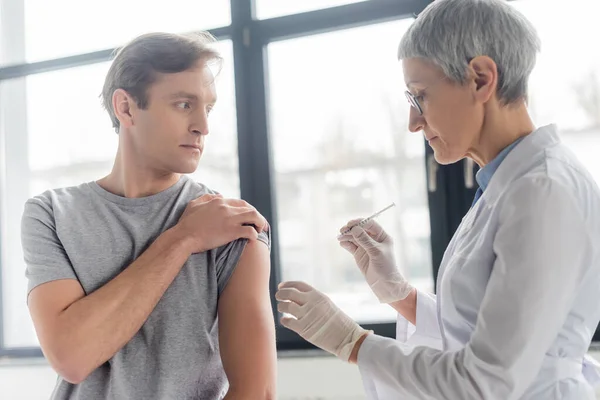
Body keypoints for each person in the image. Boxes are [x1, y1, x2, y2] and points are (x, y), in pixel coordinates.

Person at [275, 0, 600, 398]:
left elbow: (484, 381)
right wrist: (400, 293)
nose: (413, 123)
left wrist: (352, 342)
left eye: (420, 96)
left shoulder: (542, 190)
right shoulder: (504, 185)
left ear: (481, 79)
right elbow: (479, 332)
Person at [21, 32, 276, 400]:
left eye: (209, 108)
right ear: (125, 108)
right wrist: (182, 239)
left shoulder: (233, 226)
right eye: (184, 104)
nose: (203, 126)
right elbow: (71, 355)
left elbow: (258, 392)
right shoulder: (50, 213)